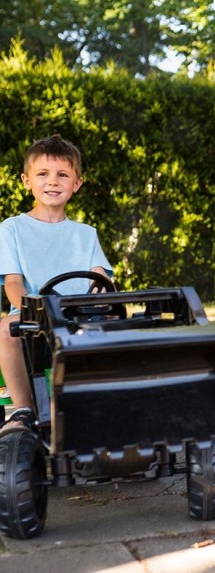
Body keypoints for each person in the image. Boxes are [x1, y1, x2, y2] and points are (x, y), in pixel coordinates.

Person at [0, 134, 113, 432]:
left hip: (80, 315)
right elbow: (12, 282)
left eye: (63, 175)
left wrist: (102, 298)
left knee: (117, 325)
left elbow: (99, 276)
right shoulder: (11, 229)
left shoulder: (86, 233)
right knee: (5, 330)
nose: (53, 182)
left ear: (76, 183)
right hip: (34, 315)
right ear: (26, 181)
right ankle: (24, 409)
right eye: (43, 174)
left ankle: (103, 403)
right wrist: (29, 308)